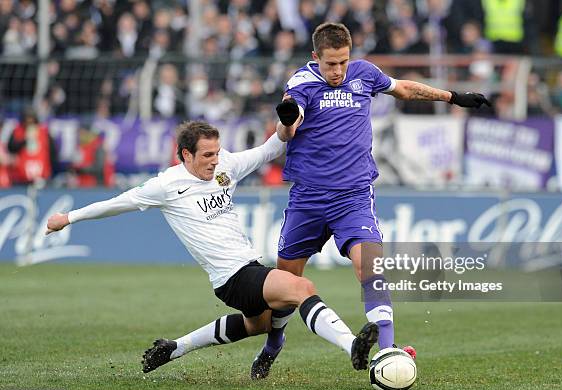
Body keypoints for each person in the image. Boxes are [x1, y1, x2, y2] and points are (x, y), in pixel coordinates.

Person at [251, 22, 490, 379]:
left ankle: (387, 350)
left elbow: (404, 89)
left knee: (371, 267)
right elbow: (289, 125)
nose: (338, 71)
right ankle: (274, 344)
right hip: (308, 199)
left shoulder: (364, 74)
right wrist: (286, 122)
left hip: (354, 196)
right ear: (316, 57)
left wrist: (453, 96)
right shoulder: (301, 83)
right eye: (331, 64)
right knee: (287, 285)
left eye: (343, 62)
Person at [45, 121, 379, 376]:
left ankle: (176, 348)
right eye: (207, 155)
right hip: (232, 276)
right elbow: (118, 203)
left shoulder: (224, 167)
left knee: (257, 325)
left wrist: (285, 127)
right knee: (300, 287)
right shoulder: (165, 186)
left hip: (245, 268)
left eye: (217, 153)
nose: (214, 161)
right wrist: (68, 217)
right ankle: (351, 345)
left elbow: (267, 150)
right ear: (185, 154)